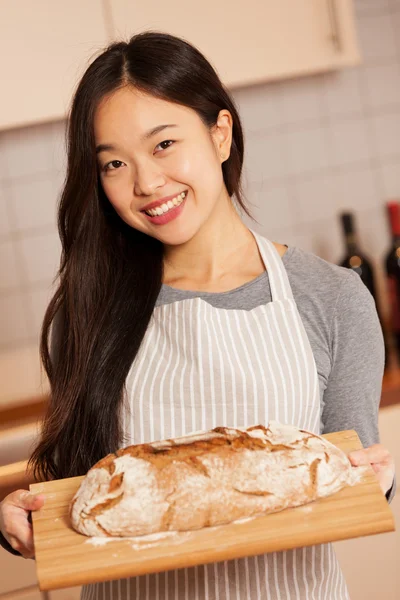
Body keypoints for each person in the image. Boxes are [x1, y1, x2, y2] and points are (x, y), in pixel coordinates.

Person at [0, 31, 396, 600]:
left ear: (220, 134)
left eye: (163, 145)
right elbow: (78, 488)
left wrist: (379, 480)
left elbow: (352, 481)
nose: (146, 183)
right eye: (114, 162)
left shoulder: (332, 297)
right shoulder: (89, 309)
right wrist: (20, 515)